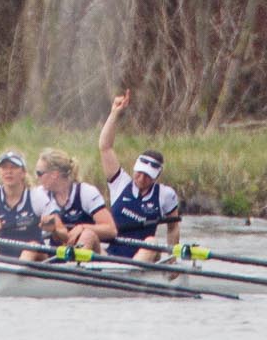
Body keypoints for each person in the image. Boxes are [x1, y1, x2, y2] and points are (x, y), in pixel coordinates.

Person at [99, 91, 182, 261]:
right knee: (88, 236)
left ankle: (131, 278)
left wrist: (172, 259)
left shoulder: (165, 195)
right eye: (139, 173)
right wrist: (115, 113)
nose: (141, 179)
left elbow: (173, 228)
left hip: (144, 256)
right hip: (111, 255)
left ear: (156, 177)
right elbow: (105, 147)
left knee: (152, 241)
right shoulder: (120, 182)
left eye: (148, 176)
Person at [33, 147, 115, 253]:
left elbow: (111, 230)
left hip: (91, 257)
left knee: (87, 234)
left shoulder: (86, 192)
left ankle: (73, 264)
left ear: (54, 174)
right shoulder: (40, 194)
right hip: (57, 256)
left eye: (39, 173)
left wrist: (82, 227)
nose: (36, 177)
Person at [0, 149, 45, 258]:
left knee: (30, 248)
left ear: (23, 173)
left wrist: (48, 222)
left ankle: (13, 272)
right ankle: (5, 269)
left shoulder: (37, 196)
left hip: (36, 255)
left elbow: (54, 223)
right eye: (4, 168)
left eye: (13, 167)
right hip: (3, 255)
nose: (8, 172)